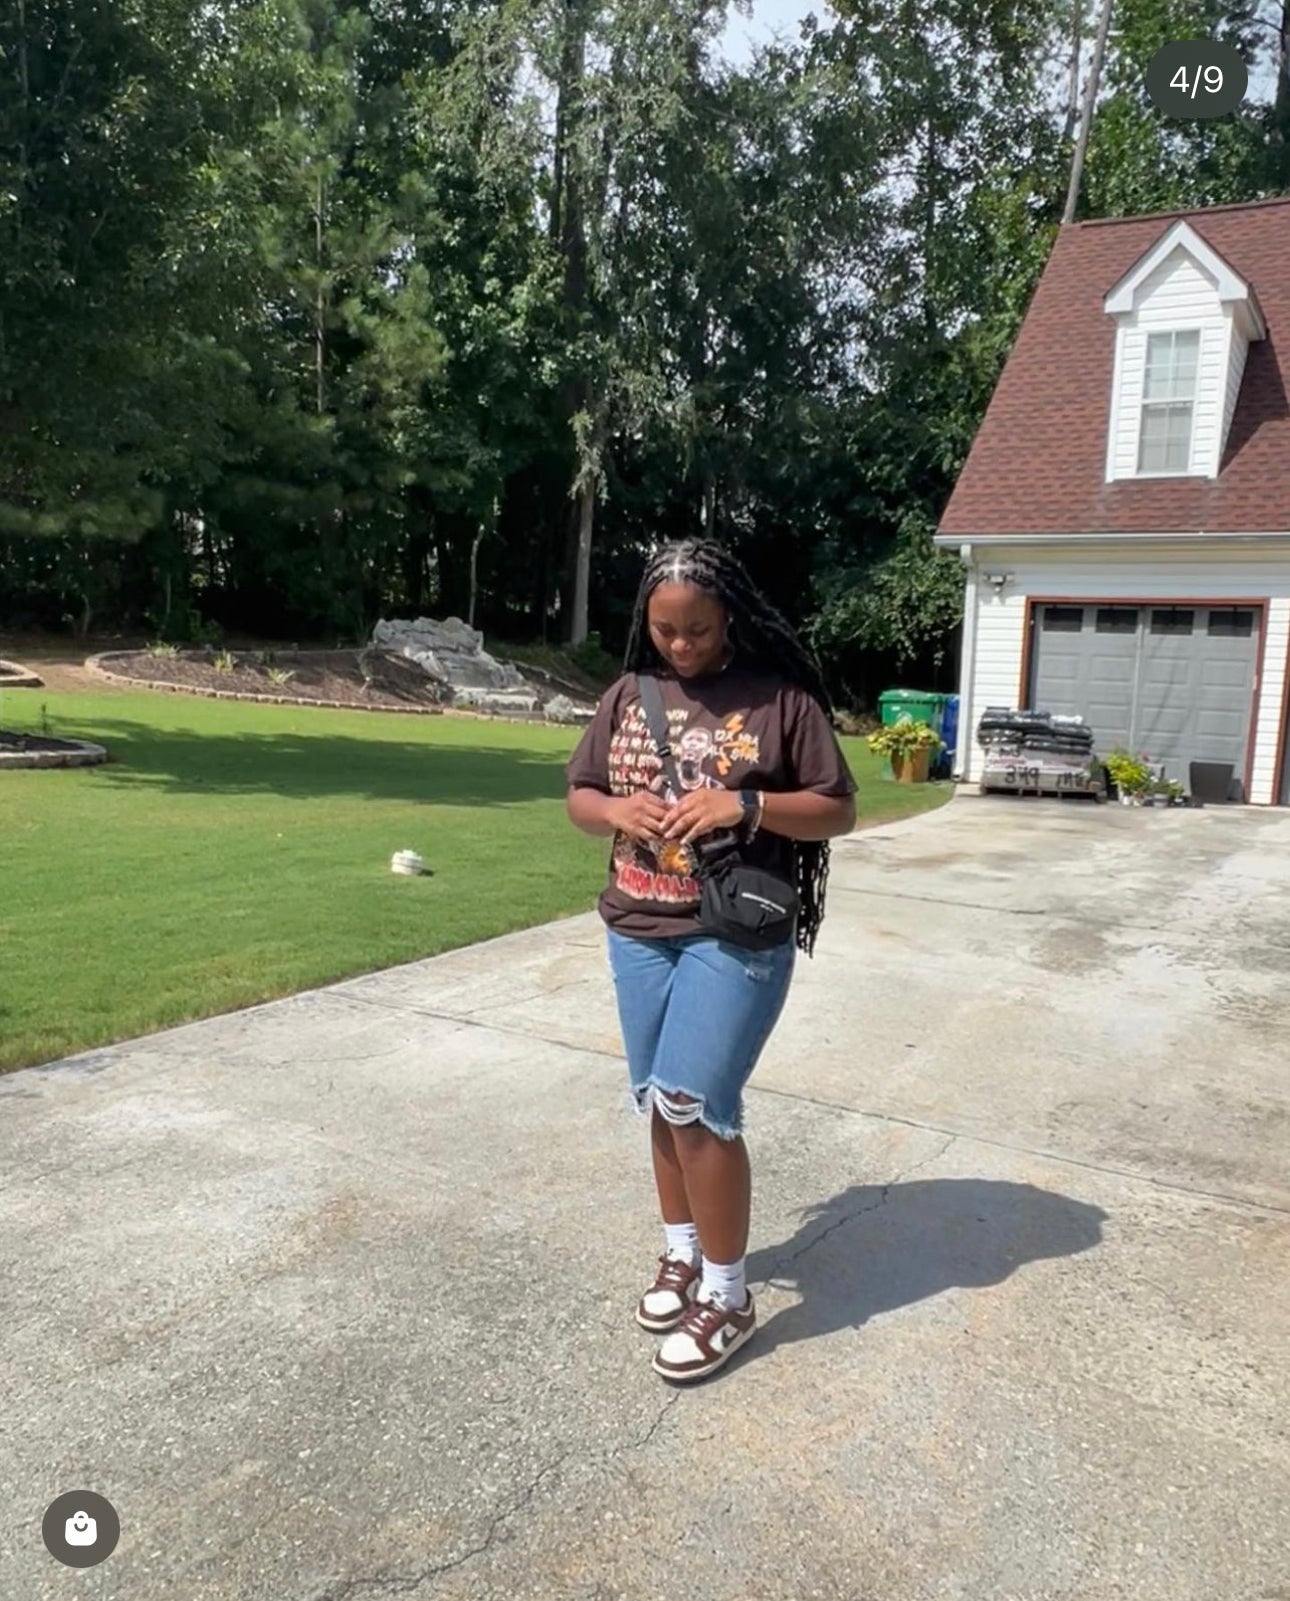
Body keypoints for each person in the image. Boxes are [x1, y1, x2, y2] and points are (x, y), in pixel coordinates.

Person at [564, 538, 858, 1382]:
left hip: (733, 933)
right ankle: (682, 1253)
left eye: (696, 628)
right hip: (635, 925)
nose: (682, 646)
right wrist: (622, 807)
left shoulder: (781, 699)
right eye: (666, 630)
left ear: (729, 611)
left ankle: (729, 1296)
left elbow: (836, 809)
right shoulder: (627, 693)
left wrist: (747, 801)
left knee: (697, 1103)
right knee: (659, 1100)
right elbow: (581, 797)